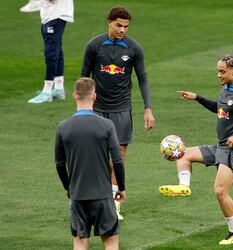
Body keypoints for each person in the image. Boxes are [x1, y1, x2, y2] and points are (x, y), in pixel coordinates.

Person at [159, 55, 233, 245]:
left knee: (220, 191)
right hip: (220, 146)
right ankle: (184, 186)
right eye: (217, 71)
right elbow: (220, 109)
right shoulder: (225, 90)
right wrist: (198, 98)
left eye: (222, 71)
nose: (218, 75)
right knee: (184, 154)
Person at [80, 6, 155, 220]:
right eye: (119, 25)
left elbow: (143, 78)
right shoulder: (94, 45)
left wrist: (148, 108)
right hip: (97, 109)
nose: (123, 30)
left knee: (118, 158)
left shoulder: (133, 48)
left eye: (126, 26)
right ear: (109, 23)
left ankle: (114, 204)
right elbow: (84, 76)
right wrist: (82, 106)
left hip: (122, 109)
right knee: (95, 156)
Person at [55, 77, 126, 250]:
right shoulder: (107, 125)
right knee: (110, 242)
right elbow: (117, 160)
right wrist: (121, 187)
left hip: (78, 195)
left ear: (74, 96)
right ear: (94, 96)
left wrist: (69, 188)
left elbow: (59, 163)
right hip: (103, 195)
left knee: (79, 243)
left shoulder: (63, 127)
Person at [28, 0, 74, 103]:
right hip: (49, 14)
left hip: (56, 15)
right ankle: (58, 88)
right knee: (57, 49)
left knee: (51, 53)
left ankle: (47, 91)